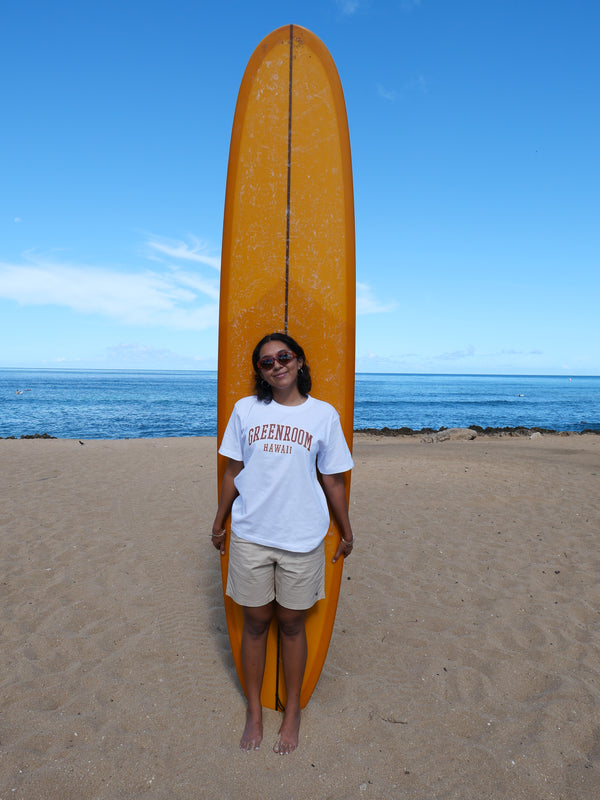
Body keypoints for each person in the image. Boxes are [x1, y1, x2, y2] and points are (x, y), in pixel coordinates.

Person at [211, 332, 354, 755]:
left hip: (302, 537)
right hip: (252, 534)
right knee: (255, 623)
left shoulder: (323, 415)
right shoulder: (245, 410)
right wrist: (218, 522)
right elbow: (233, 471)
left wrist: (346, 530)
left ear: (299, 361)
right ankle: (254, 712)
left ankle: (292, 713)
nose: (276, 366)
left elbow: (332, 478)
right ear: (260, 371)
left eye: (283, 357)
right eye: (266, 362)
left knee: (291, 624)